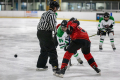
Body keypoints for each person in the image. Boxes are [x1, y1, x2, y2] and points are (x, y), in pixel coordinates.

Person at [36, 1, 60, 72]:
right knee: (52, 50)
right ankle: (55, 67)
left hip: (39, 33)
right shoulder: (52, 14)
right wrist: (56, 34)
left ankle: (41, 65)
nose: (57, 9)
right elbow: (53, 26)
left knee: (44, 49)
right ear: (55, 8)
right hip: (46, 34)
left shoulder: (44, 13)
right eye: (57, 8)